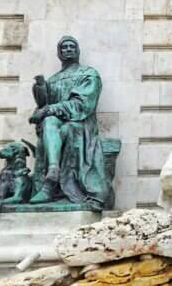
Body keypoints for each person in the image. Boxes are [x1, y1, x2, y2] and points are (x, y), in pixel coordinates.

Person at [28, 36, 113, 210]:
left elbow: (82, 106)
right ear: (59, 53)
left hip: (81, 126)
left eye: (72, 46)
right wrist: (40, 90)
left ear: (78, 50)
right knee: (50, 121)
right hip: (54, 126)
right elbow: (45, 107)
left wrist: (48, 110)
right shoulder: (53, 79)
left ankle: (49, 185)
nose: (68, 49)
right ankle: (53, 172)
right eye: (64, 47)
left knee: (64, 127)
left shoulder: (88, 74)